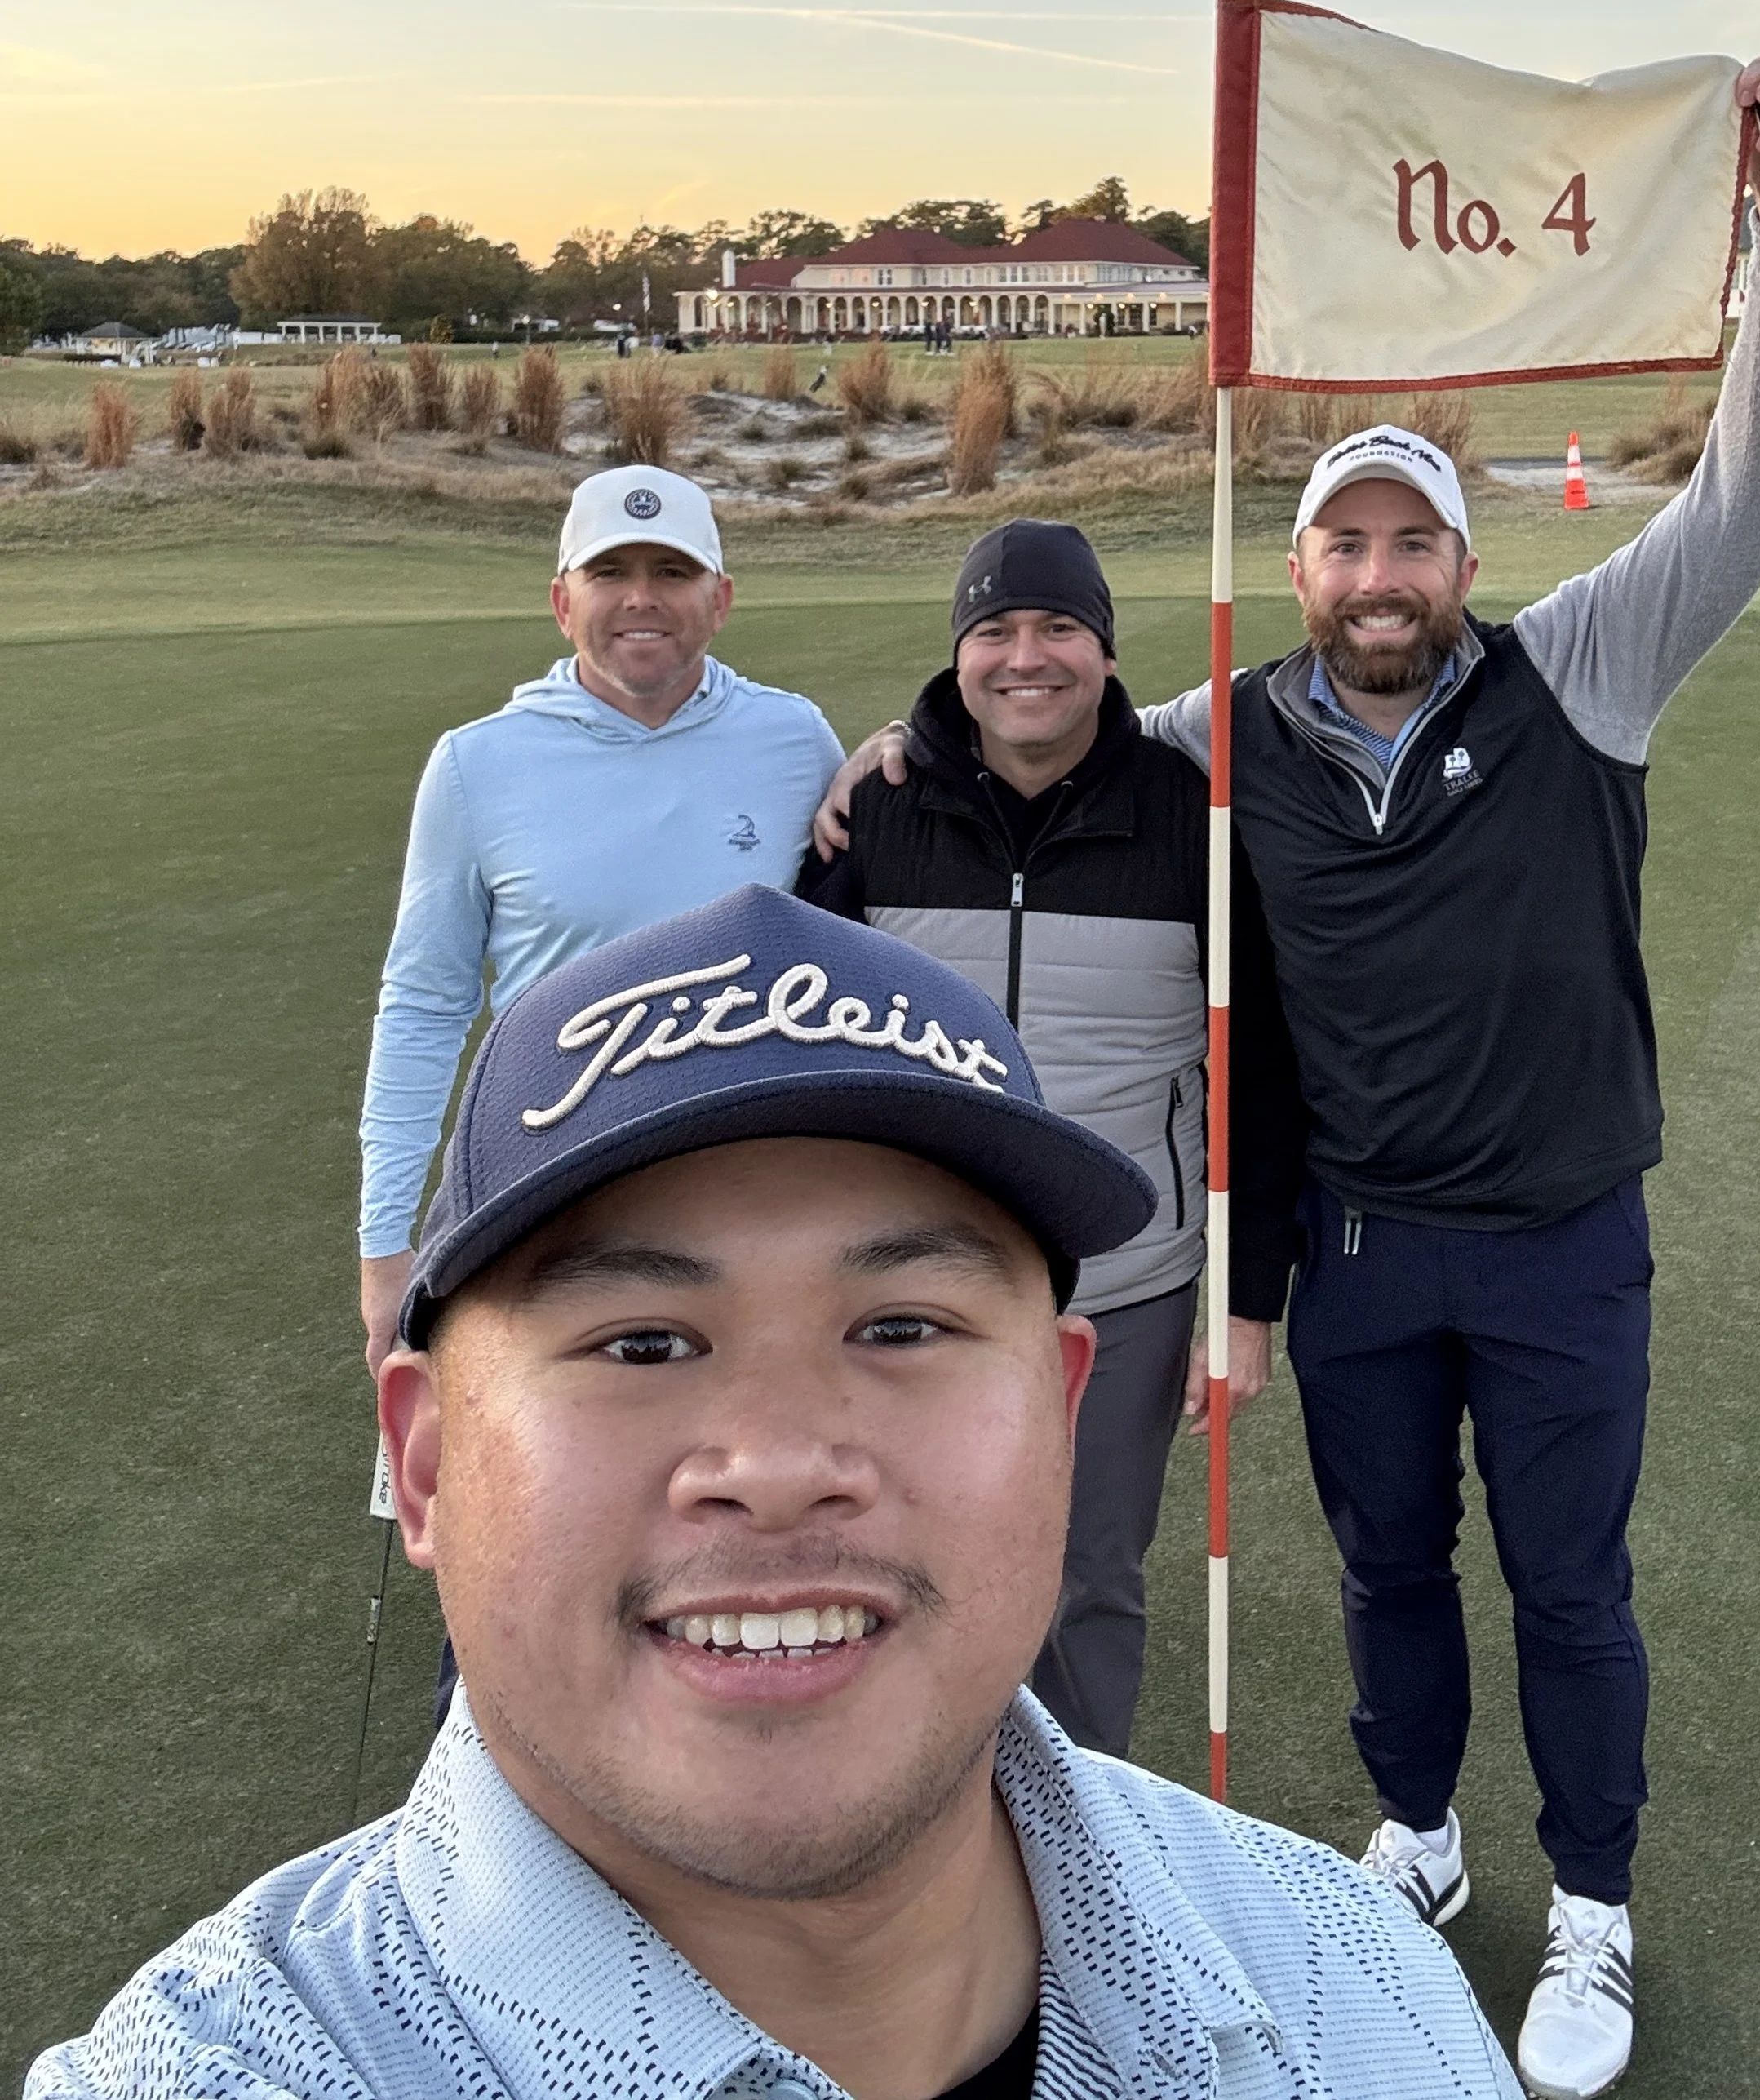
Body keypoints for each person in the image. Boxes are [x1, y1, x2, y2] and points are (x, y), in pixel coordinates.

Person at [813, 60, 1760, 2100]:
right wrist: (885, 752)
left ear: (1460, 561)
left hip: (1557, 1236)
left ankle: (1597, 1907)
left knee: (1566, 1581)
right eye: (1343, 544)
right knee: (1385, 1570)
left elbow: (1751, 490)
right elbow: (1044, 725)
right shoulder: (1226, 729)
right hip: (1354, 1247)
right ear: (1298, 570)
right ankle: (1426, 1844)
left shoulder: (1583, 673)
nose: (1380, 576)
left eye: (1414, 543)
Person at [30, 887, 1519, 2098]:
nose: (783, 1461)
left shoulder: (1352, 1971)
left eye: (903, 1328)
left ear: (1063, 1414)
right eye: (642, 1340)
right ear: (425, 1464)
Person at [797, 520, 1293, 1758]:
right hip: (911, 1287)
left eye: (1060, 626)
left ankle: (1076, 1855)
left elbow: (1260, 1073)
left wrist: (1245, 1299)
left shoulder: (1192, 814)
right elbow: (801, 1061)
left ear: (1108, 651)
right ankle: (912, 1832)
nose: (1029, 657)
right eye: (996, 630)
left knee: (1086, 1584)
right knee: (895, 1567)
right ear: (959, 653)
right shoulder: (878, 816)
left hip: (1124, 1285)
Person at [357, 463, 842, 1373]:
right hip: (541, 1174)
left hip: (747, 1187)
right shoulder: (477, 764)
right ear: (561, 600)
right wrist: (384, 1246)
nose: (640, 600)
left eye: (672, 572)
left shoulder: (796, 739)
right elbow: (423, 1008)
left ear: (721, 598)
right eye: (611, 574)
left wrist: (893, 743)